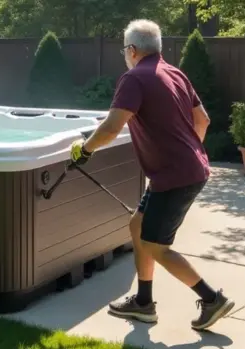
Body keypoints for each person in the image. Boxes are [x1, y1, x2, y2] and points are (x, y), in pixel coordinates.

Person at [70, 19, 234, 331]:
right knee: (138, 225)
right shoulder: (175, 73)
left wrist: (86, 150)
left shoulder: (135, 78)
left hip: (175, 176)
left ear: (131, 50)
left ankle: (211, 299)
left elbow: (111, 127)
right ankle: (144, 303)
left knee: (156, 246)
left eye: (124, 49)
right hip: (184, 170)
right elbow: (204, 120)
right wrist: (186, 153)